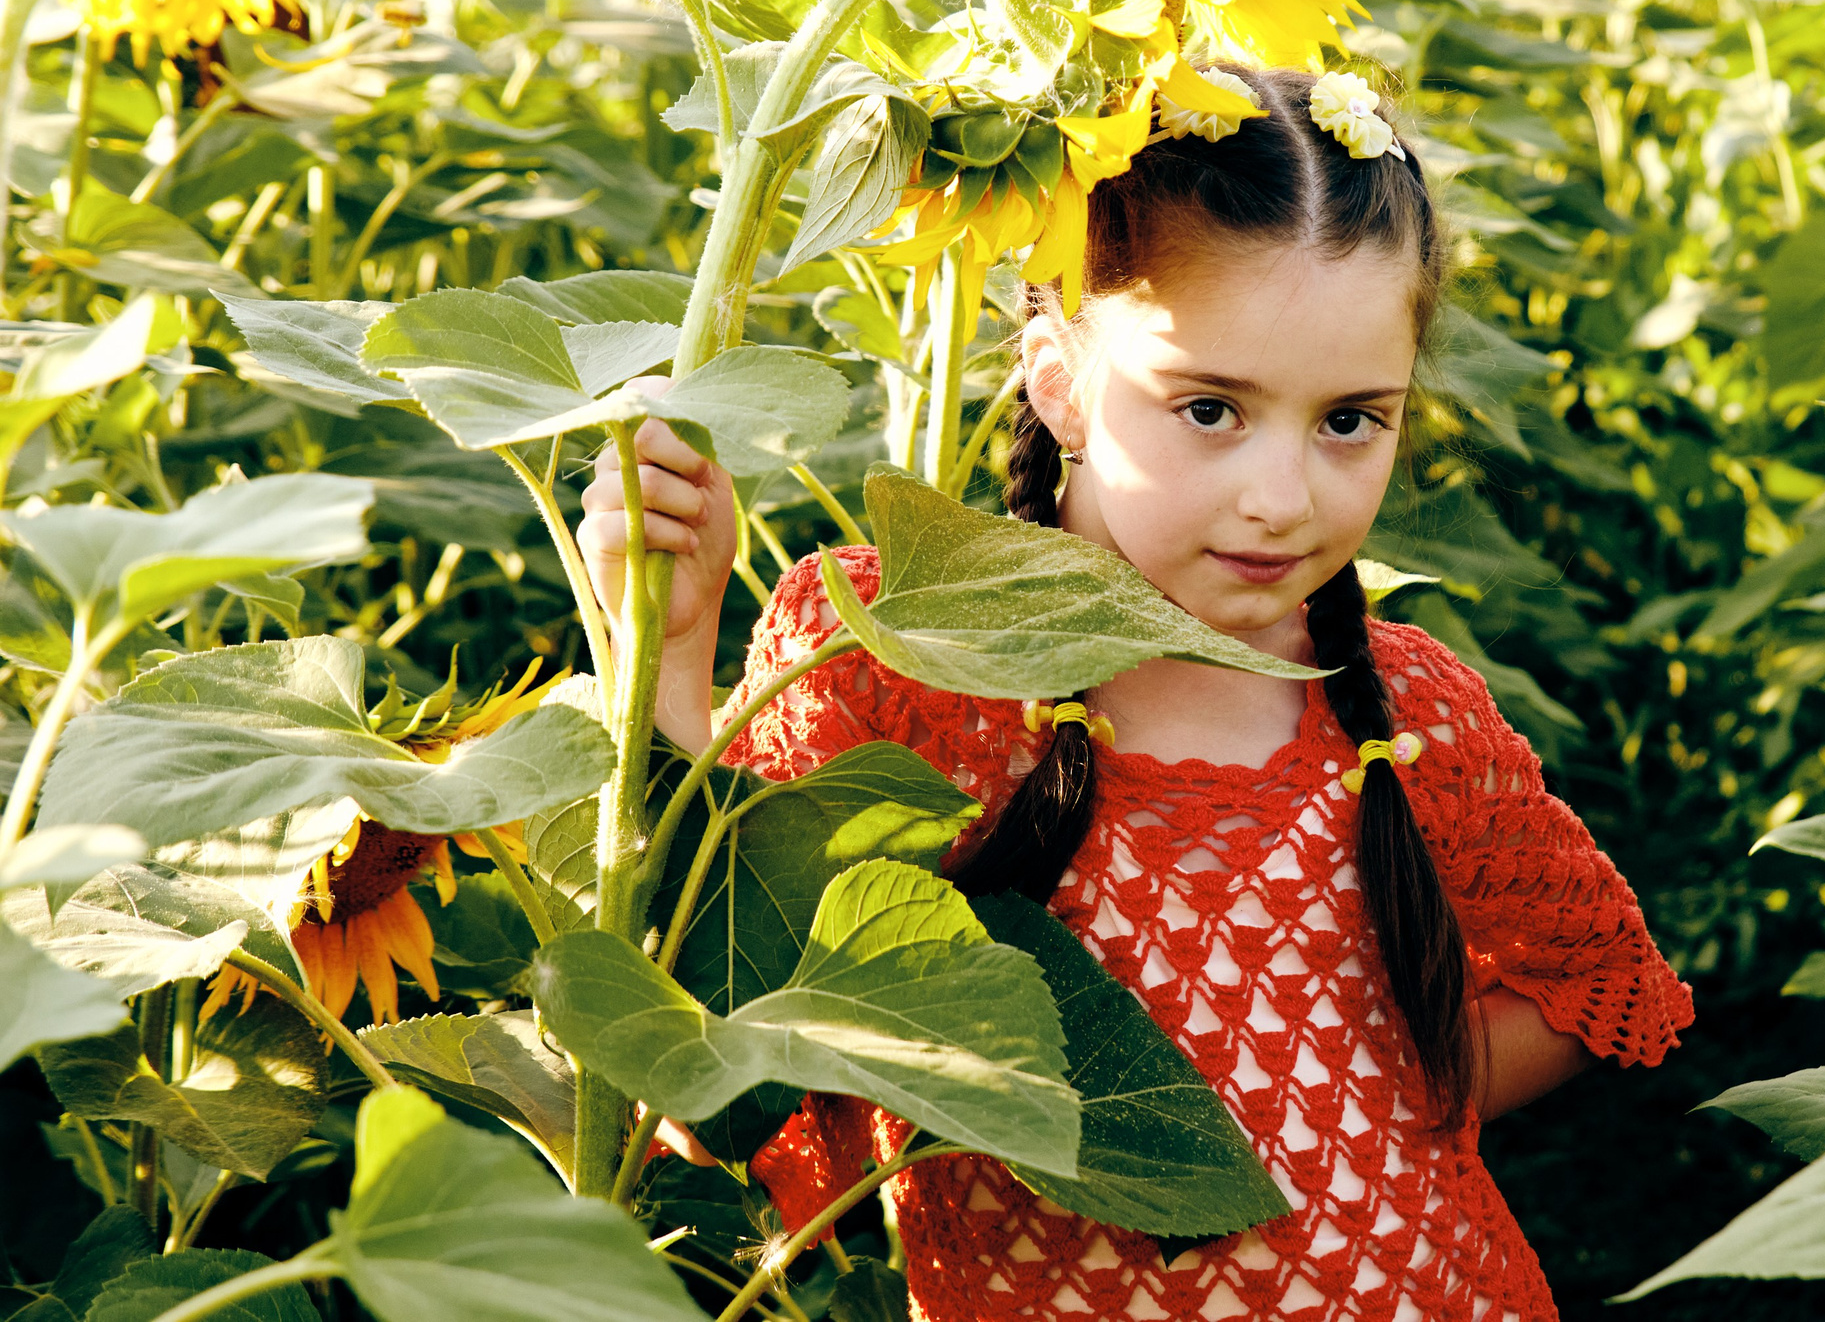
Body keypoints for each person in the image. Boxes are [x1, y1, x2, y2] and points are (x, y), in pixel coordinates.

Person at [581, 64, 1694, 1322]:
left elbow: (1590, 980)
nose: (1282, 498)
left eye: (1350, 422)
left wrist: (1356, 1099)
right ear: (1058, 379)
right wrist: (671, 651)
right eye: (1210, 409)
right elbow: (728, 1061)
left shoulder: (1407, 708)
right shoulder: (902, 662)